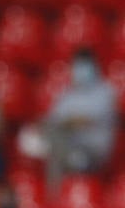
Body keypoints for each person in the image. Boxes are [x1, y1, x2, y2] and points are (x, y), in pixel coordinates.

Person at [34, 48, 119, 191]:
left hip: (94, 152)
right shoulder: (68, 95)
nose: (80, 71)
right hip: (69, 146)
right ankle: (56, 199)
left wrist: (64, 123)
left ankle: (54, 197)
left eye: (84, 65)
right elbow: (50, 120)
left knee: (55, 150)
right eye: (77, 65)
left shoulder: (105, 92)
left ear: (95, 66)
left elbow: (84, 121)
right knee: (51, 142)